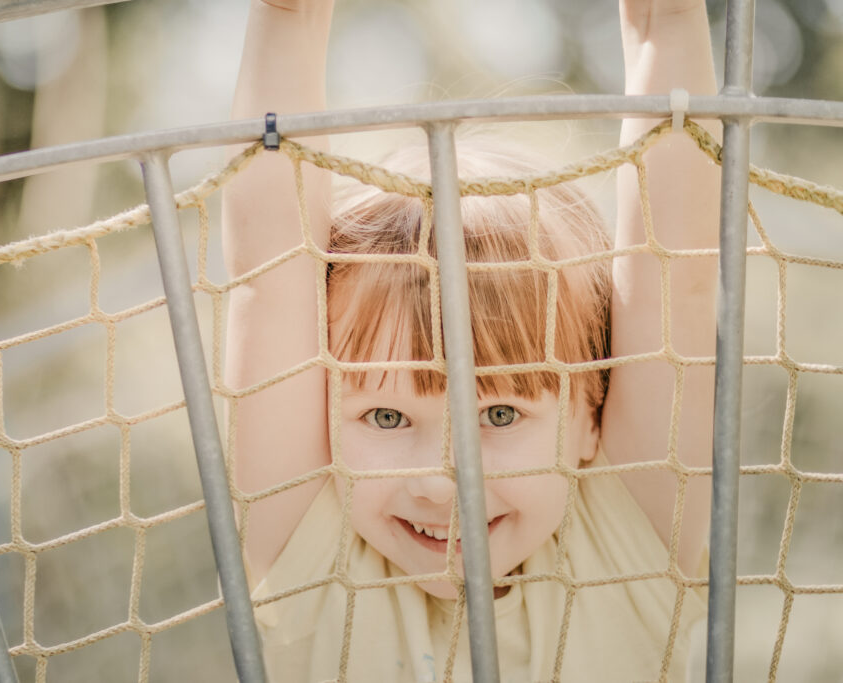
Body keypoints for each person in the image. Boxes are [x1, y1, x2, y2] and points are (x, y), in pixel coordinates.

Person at [222, 0, 721, 680]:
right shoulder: (310, 559)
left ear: (589, 417)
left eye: (501, 413)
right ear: (328, 415)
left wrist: (664, 21)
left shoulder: (628, 548)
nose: (440, 479)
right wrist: (288, 14)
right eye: (388, 415)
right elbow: (266, 271)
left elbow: (679, 269)